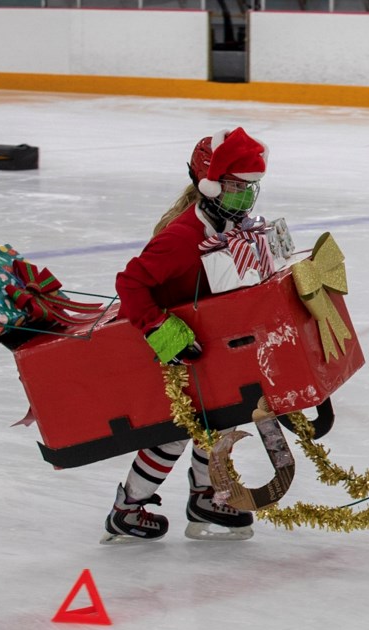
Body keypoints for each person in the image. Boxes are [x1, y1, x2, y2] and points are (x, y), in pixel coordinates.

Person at [101, 126, 269, 544]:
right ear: (210, 185)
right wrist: (160, 329)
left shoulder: (230, 227)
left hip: (207, 349)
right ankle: (128, 508)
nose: (245, 198)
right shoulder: (182, 238)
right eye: (236, 188)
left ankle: (206, 496)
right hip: (174, 351)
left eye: (251, 189)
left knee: (221, 421)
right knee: (174, 433)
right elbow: (130, 284)